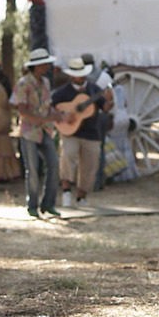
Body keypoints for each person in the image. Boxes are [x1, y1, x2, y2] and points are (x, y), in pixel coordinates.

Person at [51, 57, 114, 207]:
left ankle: (81, 196)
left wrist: (109, 101)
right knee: (68, 156)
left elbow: (104, 108)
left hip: (91, 132)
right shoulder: (63, 92)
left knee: (90, 165)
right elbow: (52, 108)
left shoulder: (94, 90)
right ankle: (66, 191)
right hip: (70, 132)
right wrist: (63, 116)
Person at [10, 48, 64, 218]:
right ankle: (32, 204)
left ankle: (48, 203)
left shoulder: (46, 83)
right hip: (29, 132)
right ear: (37, 66)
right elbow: (22, 110)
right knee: (32, 169)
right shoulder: (23, 83)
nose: (47, 66)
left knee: (54, 165)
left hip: (45, 130)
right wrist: (42, 119)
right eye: (44, 64)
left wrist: (54, 115)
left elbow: (47, 105)